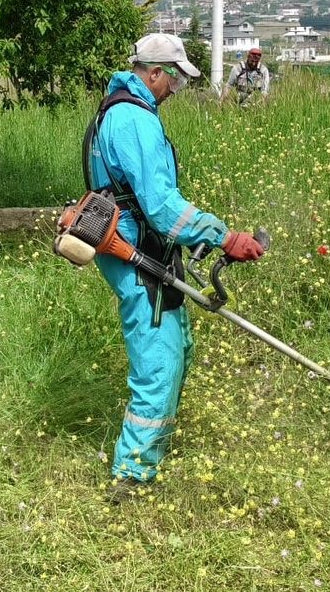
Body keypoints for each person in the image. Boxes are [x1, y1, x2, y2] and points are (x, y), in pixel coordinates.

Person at [82, 32, 265, 504]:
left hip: (149, 251)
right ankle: (131, 476)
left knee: (178, 344)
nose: (176, 91)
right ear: (155, 72)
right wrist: (223, 236)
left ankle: (153, 451)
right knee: (158, 363)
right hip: (136, 253)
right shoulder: (133, 120)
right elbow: (162, 207)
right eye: (176, 81)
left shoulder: (120, 108)